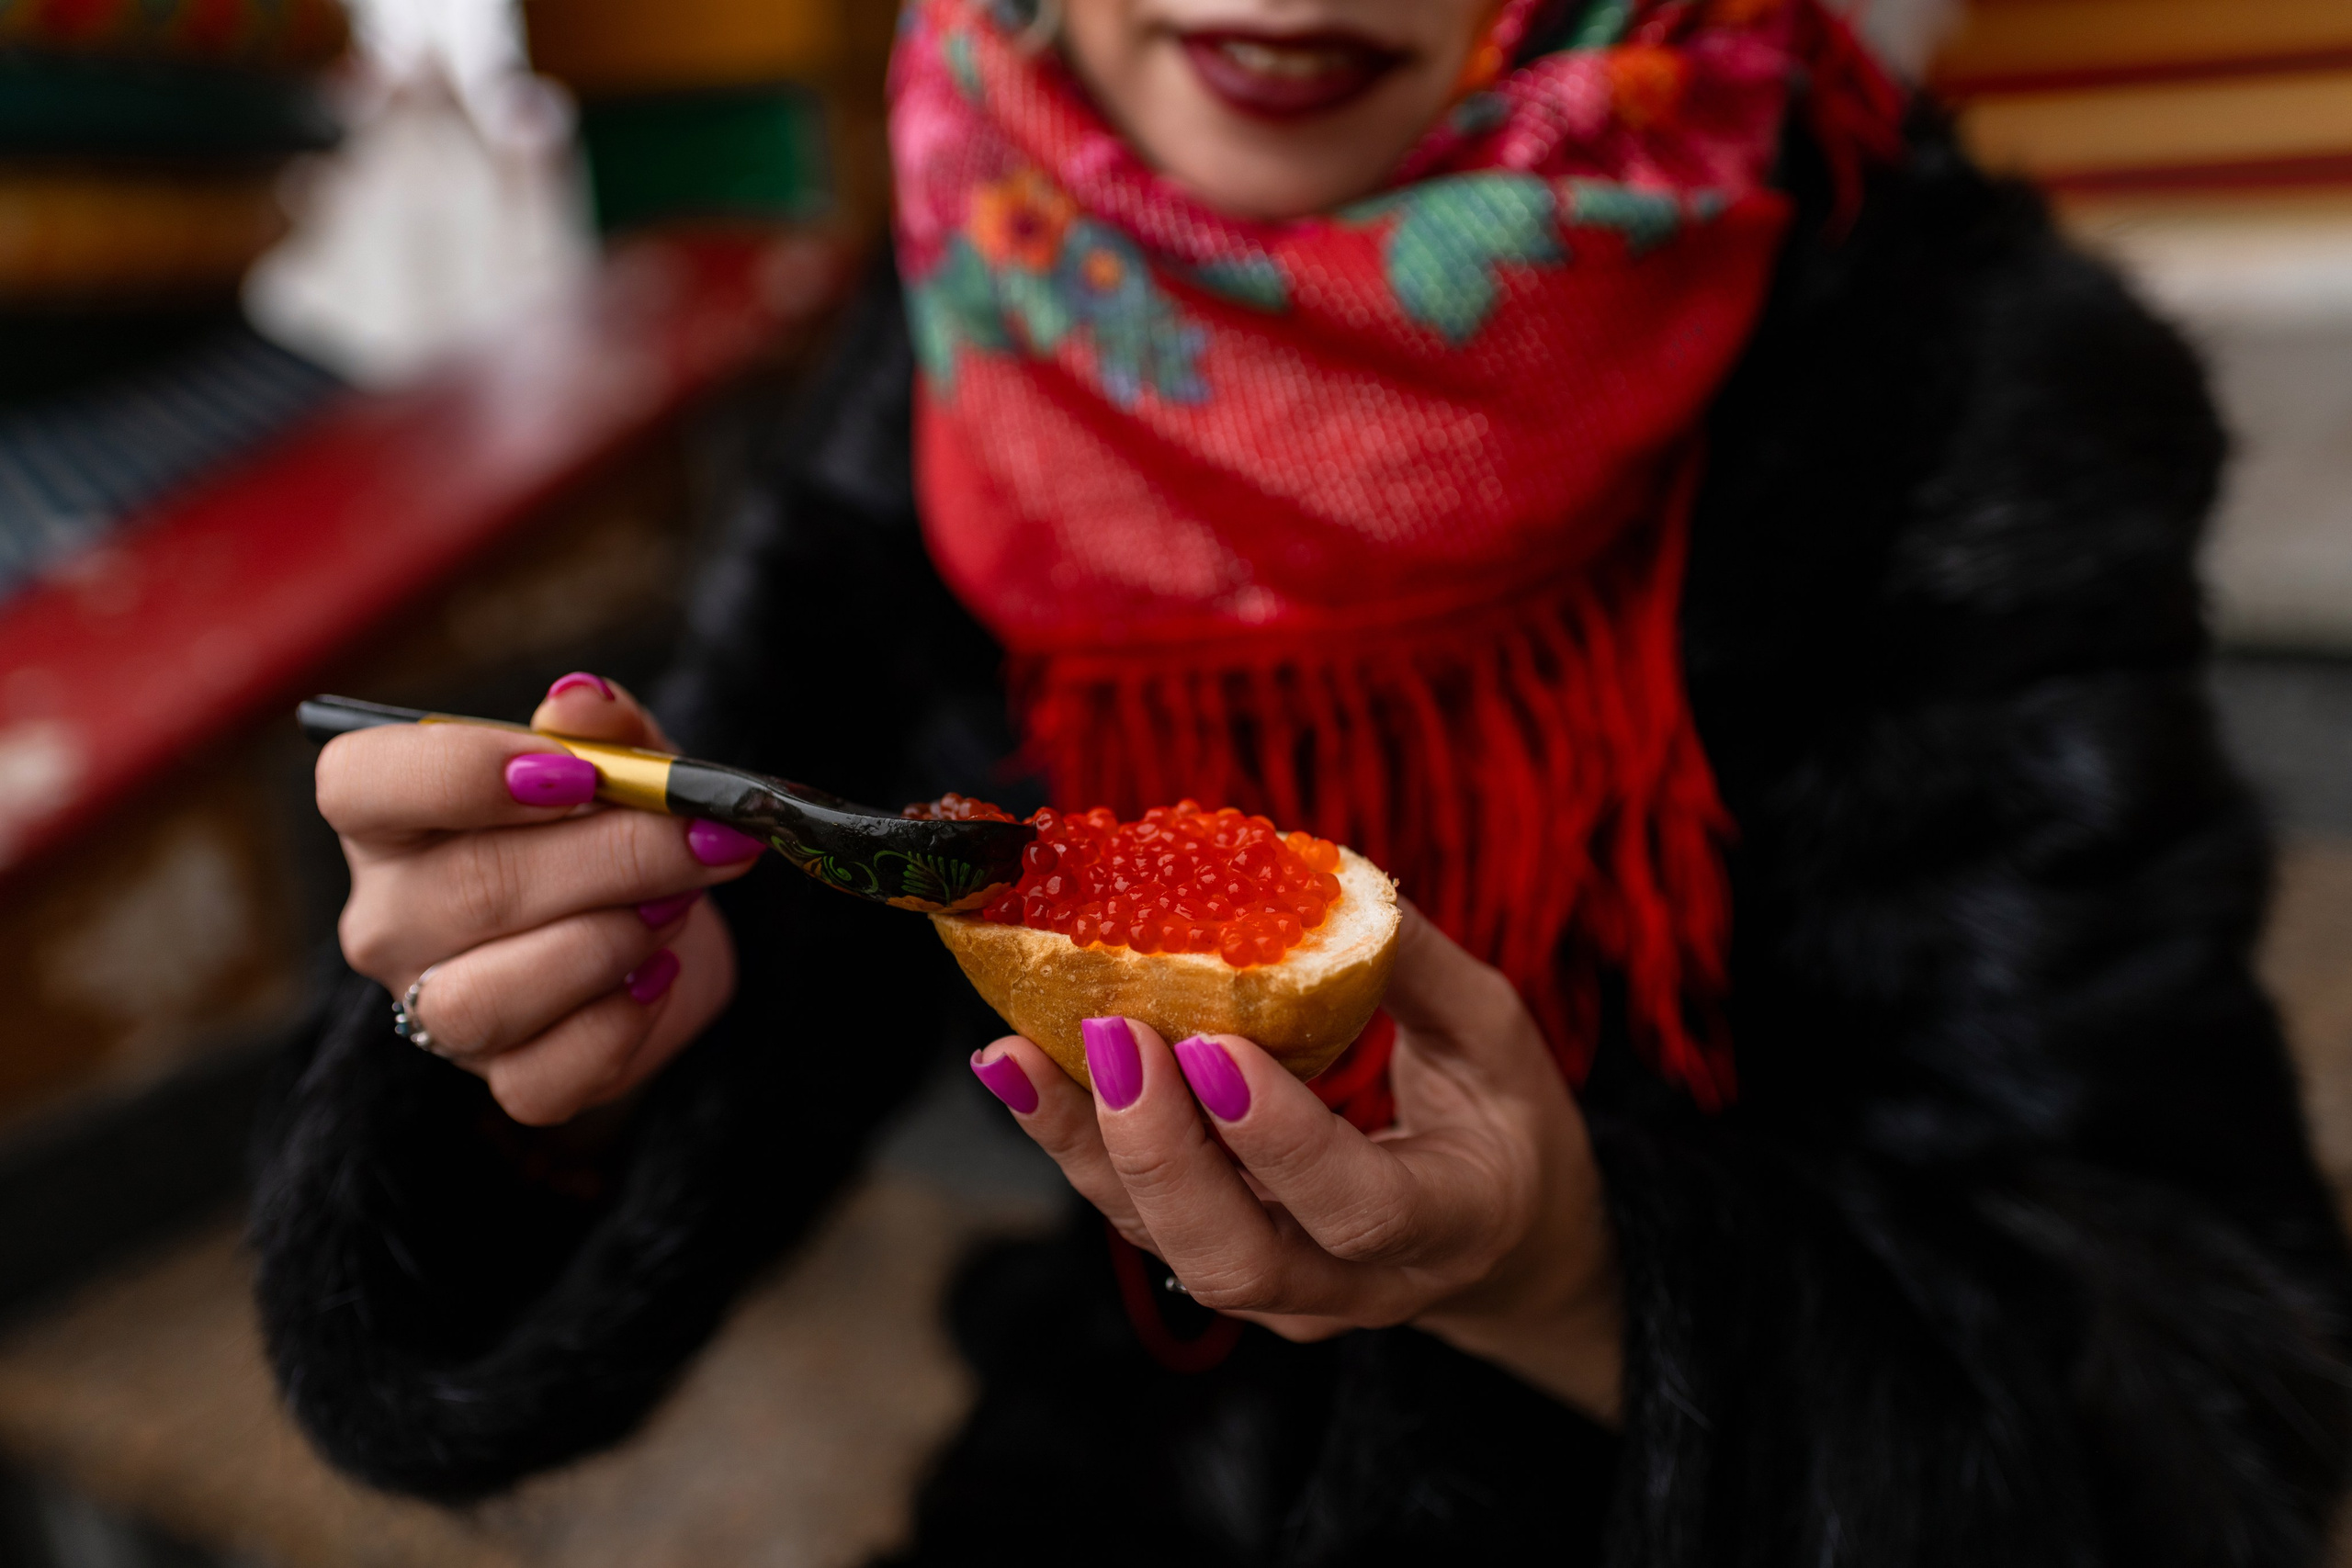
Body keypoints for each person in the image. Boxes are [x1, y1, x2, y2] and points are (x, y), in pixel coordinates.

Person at [251, 0, 2352, 1561]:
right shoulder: (991, 313)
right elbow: (548, 1245)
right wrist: (557, 1054)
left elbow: (2198, 1419)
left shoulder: (1938, 383)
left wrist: (1576, 1271)